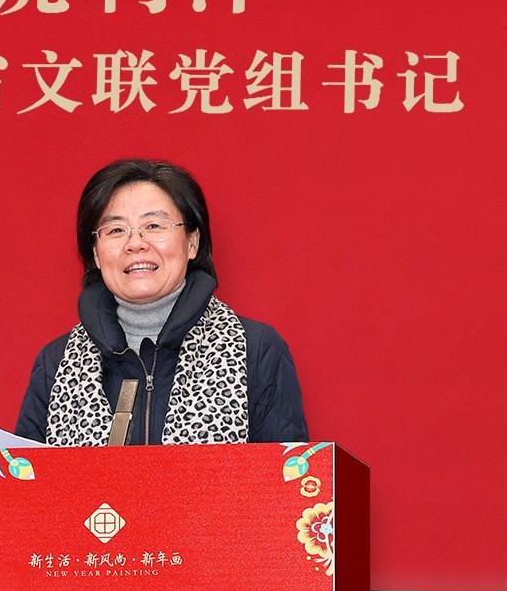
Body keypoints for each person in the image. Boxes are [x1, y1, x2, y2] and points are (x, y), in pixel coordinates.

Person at [16, 158, 307, 446]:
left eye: (154, 225)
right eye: (116, 230)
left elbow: (285, 474)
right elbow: (26, 476)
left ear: (192, 242)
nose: (135, 243)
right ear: (95, 254)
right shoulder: (55, 364)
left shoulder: (255, 351)